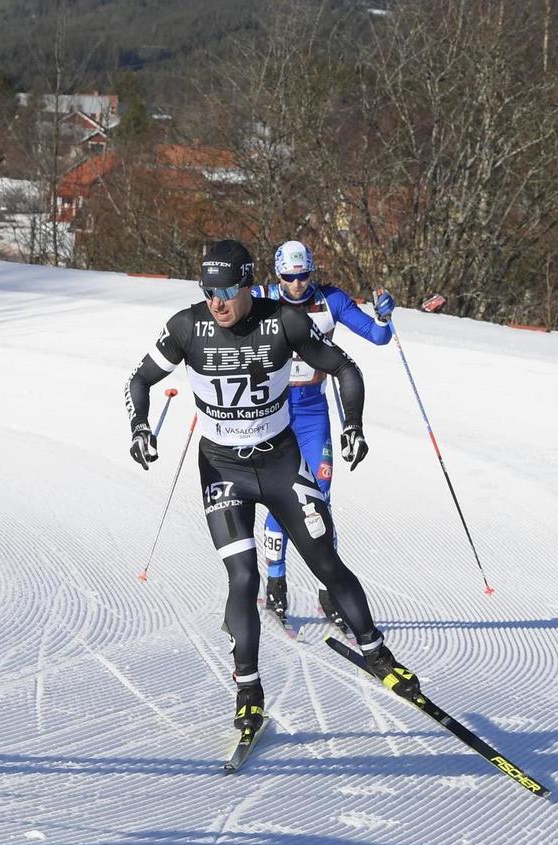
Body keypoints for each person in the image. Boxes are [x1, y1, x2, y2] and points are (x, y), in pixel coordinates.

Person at [124, 239, 420, 735]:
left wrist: (353, 425)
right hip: (222, 470)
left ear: (247, 284)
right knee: (243, 577)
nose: (216, 302)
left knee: (326, 561)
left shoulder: (283, 321)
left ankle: (376, 652)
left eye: (226, 291)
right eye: (208, 291)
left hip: (281, 463)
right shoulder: (187, 326)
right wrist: (139, 426)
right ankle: (248, 691)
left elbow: (346, 368)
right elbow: (139, 379)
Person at [256, 240, 396, 629]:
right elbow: (224, 320)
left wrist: (385, 318)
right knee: (281, 501)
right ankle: (277, 583)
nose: (297, 285)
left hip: (314, 412)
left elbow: (379, 337)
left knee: (321, 498)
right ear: (277, 274)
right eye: (288, 278)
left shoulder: (330, 300)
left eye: (303, 277)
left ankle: (329, 589)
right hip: (275, 413)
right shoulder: (264, 298)